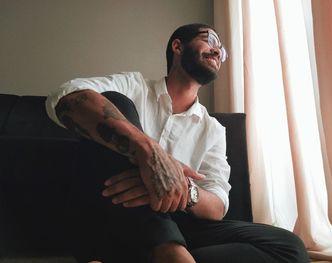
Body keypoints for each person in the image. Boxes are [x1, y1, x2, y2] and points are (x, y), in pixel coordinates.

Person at [46, 23, 309, 263]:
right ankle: (169, 251)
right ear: (177, 46)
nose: (218, 51)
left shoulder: (213, 129)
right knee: (115, 103)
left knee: (289, 247)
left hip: (181, 223)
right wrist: (149, 154)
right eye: (211, 41)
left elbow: (217, 204)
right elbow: (65, 97)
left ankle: (153, 251)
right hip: (110, 210)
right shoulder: (134, 86)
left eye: (222, 52)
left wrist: (181, 187)